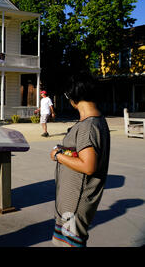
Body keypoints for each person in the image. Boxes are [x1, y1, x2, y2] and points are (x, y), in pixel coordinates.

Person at [49, 72, 110, 247]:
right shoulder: (97, 121)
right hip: (74, 200)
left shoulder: (87, 127)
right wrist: (66, 151)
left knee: (68, 244)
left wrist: (58, 156)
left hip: (75, 203)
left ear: (72, 97)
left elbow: (89, 166)